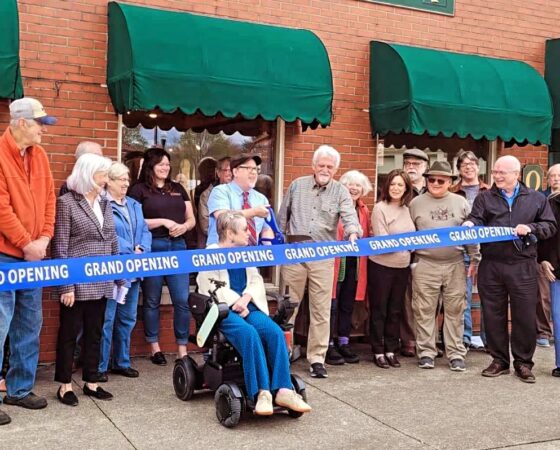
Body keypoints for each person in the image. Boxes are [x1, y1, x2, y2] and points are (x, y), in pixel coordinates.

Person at [197, 211, 311, 415]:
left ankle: (283, 389)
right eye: (244, 229)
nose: (249, 234)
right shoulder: (210, 254)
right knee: (249, 335)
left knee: (274, 332)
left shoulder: (245, 252)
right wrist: (236, 301)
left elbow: (256, 279)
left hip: (248, 306)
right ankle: (261, 393)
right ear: (230, 233)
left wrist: (247, 297)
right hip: (223, 311)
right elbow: (211, 286)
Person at [466, 155, 556, 383]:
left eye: (501, 172)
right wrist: (470, 223)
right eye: (495, 171)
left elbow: (550, 226)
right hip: (492, 264)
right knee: (492, 314)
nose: (496, 176)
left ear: (516, 174)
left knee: (524, 316)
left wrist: (531, 228)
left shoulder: (536, 198)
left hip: (523, 265)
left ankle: (524, 363)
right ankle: (499, 361)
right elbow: (477, 219)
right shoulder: (484, 198)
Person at [278, 145, 361, 379]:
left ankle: (316, 359)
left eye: (330, 166)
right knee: (288, 308)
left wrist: (353, 233)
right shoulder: (297, 185)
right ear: (314, 166)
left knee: (321, 311)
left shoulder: (341, 192)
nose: (325, 169)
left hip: (323, 257)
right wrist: (276, 244)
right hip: (294, 253)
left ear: (335, 169)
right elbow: (282, 218)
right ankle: (283, 354)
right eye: (321, 165)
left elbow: (349, 216)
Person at [0, 98, 56, 424]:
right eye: (39, 123)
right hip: (6, 256)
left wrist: (44, 239)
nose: (42, 130)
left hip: (34, 255)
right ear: (22, 123)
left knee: (29, 324)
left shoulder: (41, 156)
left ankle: (19, 389)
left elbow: (49, 198)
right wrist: (26, 243)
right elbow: (2, 209)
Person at [53, 153, 123, 406]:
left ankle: (91, 381)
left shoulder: (105, 203)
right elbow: (60, 247)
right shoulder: (66, 203)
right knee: (69, 334)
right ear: (87, 174)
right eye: (102, 174)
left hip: (103, 279)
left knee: (95, 332)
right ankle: (64, 385)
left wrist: (118, 275)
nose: (106, 179)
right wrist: (65, 285)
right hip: (76, 281)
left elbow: (112, 239)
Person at [409, 161, 480, 372]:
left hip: (455, 263)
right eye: (432, 179)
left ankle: (456, 353)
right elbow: (407, 233)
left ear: (450, 181)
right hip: (425, 263)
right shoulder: (415, 203)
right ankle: (426, 352)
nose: (436, 183)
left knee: (455, 310)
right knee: (423, 310)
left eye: (441, 180)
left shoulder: (461, 202)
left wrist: (474, 258)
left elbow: (470, 233)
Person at [128, 147, 196, 366]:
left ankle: (182, 349)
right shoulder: (138, 190)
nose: (165, 167)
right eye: (161, 164)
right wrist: (163, 222)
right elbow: (134, 221)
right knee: (151, 300)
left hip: (178, 247)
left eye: (167, 164)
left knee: (182, 300)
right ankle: (154, 346)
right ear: (151, 166)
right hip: (153, 247)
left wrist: (184, 228)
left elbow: (191, 219)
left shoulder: (178, 188)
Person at [98, 163, 152, 382]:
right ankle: (100, 366)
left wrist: (143, 249)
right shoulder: (100, 204)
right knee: (106, 319)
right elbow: (103, 232)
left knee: (127, 319)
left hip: (134, 270)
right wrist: (130, 249)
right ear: (108, 181)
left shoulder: (134, 205)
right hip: (113, 270)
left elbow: (145, 230)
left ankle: (122, 362)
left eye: (127, 179)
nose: (126, 183)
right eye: (121, 179)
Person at [368, 169, 415, 369]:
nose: (396, 188)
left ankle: (391, 348)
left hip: (402, 266)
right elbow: (383, 240)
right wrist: (406, 244)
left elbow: (415, 238)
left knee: (395, 310)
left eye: (400, 185)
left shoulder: (408, 209)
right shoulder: (380, 208)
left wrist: (409, 244)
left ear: (406, 189)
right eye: (393, 184)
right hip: (381, 266)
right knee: (380, 309)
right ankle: (378, 350)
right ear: (387, 186)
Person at [326, 170, 372, 365]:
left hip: (355, 262)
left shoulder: (364, 210)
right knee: (331, 305)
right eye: (349, 184)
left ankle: (343, 341)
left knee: (347, 304)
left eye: (358, 185)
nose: (353, 188)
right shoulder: (333, 206)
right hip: (335, 262)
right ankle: (327, 344)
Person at [450, 150, 490, 349]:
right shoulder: (451, 191)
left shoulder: (490, 191)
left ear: (478, 166)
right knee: (462, 296)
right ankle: (464, 339)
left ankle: (488, 340)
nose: (468, 167)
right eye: (464, 164)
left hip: (489, 251)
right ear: (458, 169)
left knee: (490, 296)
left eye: (472, 163)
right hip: (462, 251)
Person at [399, 148, 430, 357]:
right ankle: (409, 339)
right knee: (406, 297)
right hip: (403, 252)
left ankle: (428, 339)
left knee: (428, 296)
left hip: (428, 251)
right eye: (408, 163)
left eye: (416, 164)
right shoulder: (399, 188)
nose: (411, 167)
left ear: (425, 168)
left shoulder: (434, 189)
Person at [206, 153, 273, 246]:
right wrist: (254, 212)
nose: (253, 172)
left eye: (256, 169)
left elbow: (266, 228)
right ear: (235, 172)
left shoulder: (261, 199)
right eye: (249, 168)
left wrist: (269, 249)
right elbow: (224, 218)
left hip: (252, 256)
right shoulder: (220, 191)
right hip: (221, 255)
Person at [537, 164, 560, 377]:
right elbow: (545, 239)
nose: (556, 179)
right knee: (558, 317)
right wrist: (543, 260)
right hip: (556, 269)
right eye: (552, 176)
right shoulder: (546, 204)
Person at [198, 156, 232, 248]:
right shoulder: (206, 195)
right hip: (216, 245)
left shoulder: (243, 193)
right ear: (218, 172)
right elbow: (205, 226)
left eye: (233, 170)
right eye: (227, 170)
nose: (231, 173)